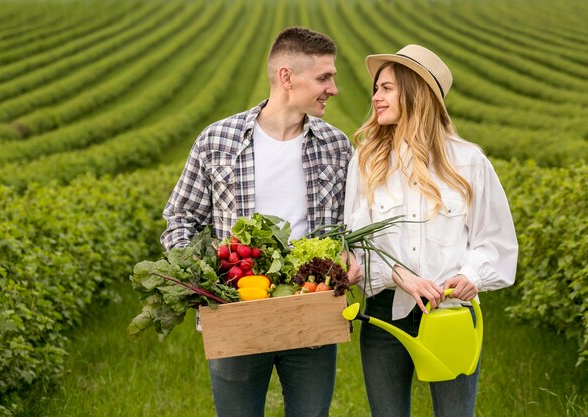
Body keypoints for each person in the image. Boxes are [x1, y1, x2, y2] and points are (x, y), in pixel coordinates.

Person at [160, 27, 358, 417]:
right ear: (287, 77)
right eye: (324, 77)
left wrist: (350, 256)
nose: (333, 88)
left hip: (311, 310)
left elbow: (350, 226)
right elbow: (180, 219)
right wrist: (202, 279)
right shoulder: (218, 140)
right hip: (237, 312)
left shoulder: (337, 146)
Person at [344, 45, 519, 417]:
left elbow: (496, 240)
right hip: (385, 316)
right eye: (376, 88)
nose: (375, 97)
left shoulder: (468, 161)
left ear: (416, 91)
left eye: (386, 88)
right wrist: (399, 274)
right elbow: (354, 245)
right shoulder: (366, 161)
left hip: (452, 313)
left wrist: (472, 275)